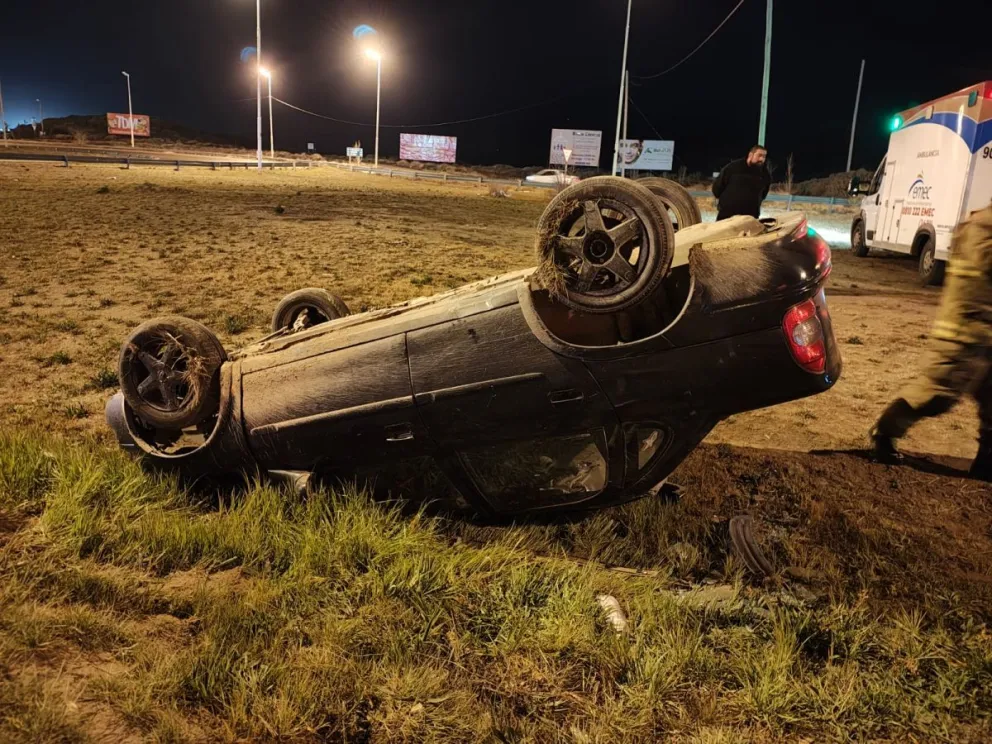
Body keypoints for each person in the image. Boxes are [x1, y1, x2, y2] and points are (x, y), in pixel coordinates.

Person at [871, 202, 992, 480]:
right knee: (936, 396)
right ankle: (884, 432)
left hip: (984, 335)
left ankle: (986, 464)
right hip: (963, 335)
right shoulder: (982, 229)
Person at [712, 145, 771, 220]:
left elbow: (763, 194)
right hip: (726, 216)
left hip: (749, 217)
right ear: (750, 155)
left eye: (764, 156)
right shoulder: (732, 168)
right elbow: (717, 188)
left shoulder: (765, 174)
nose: (762, 159)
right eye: (759, 155)